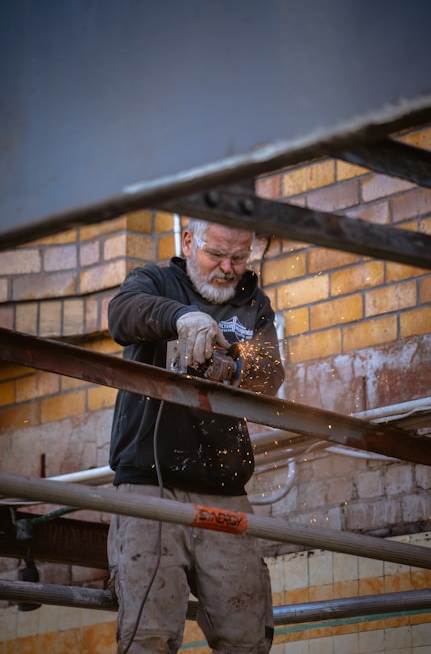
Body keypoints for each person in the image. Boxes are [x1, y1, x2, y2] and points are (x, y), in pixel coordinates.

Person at [107, 219, 284, 653]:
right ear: (188, 242)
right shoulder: (154, 281)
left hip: (224, 490)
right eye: (216, 254)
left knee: (246, 639)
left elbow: (270, 373)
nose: (228, 267)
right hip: (149, 488)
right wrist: (182, 317)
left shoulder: (253, 303)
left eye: (239, 258)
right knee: (148, 636)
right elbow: (121, 315)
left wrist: (236, 370)